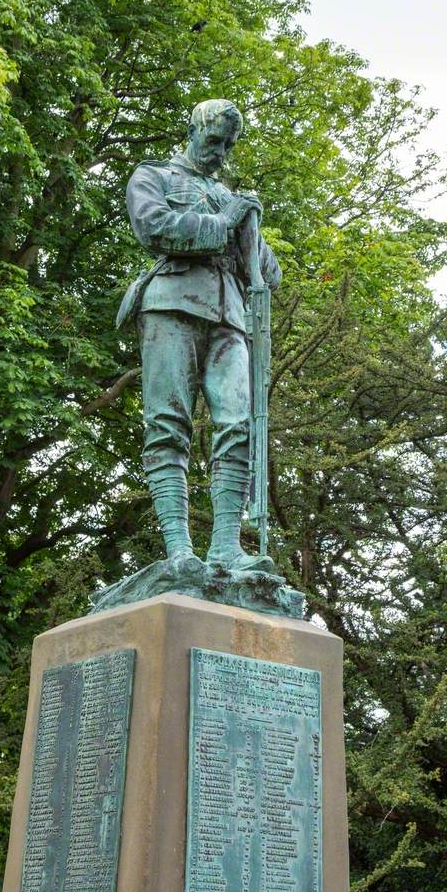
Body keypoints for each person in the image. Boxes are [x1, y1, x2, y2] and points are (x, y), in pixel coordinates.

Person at [120, 98, 281, 574]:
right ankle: (178, 551)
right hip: (170, 303)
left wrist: (251, 226)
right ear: (192, 131)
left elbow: (267, 275)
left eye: (229, 145)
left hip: (229, 318)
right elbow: (155, 228)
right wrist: (223, 223)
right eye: (214, 141)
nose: (221, 153)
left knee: (238, 425)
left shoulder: (230, 197)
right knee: (168, 426)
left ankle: (226, 548)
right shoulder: (155, 177)